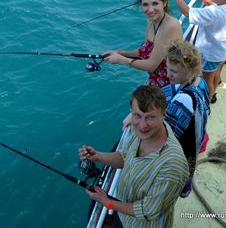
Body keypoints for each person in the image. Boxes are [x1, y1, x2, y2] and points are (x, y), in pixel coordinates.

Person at [79, 85, 189, 228]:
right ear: (131, 113)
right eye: (137, 115)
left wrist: (108, 203)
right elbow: (124, 157)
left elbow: (148, 211)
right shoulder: (135, 130)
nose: (142, 125)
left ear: (164, 114)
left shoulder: (173, 166)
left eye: (150, 117)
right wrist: (98, 156)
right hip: (124, 214)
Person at [167, 0, 226, 104]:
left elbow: (187, 12)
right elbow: (217, 6)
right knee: (216, 74)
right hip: (223, 50)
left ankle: (208, 100)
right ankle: (215, 87)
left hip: (211, 54)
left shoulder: (214, 13)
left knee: (207, 80)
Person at [103, 0, 183, 88]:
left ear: (164, 2)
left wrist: (121, 60)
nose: (150, 10)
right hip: (156, 79)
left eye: (155, 3)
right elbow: (144, 52)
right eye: (145, 5)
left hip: (172, 84)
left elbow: (151, 65)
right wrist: (120, 53)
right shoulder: (150, 21)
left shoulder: (171, 26)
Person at [162, 41, 210, 197]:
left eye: (173, 71)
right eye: (167, 68)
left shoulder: (184, 100)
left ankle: (179, 189)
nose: (168, 75)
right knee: (189, 166)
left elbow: (168, 133)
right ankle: (185, 187)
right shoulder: (200, 82)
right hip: (195, 143)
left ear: (190, 71)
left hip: (182, 149)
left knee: (179, 171)